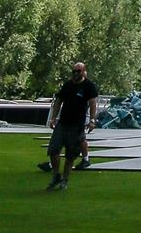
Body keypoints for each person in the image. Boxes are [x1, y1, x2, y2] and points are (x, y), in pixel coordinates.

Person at [44, 62, 98, 191]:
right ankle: (56, 175)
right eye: (73, 71)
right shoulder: (68, 85)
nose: (75, 74)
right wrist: (53, 118)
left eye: (78, 71)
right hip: (63, 123)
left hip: (77, 126)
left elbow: (92, 104)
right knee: (53, 149)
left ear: (84, 71)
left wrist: (92, 120)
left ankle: (65, 179)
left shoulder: (88, 86)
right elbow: (58, 101)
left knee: (70, 155)